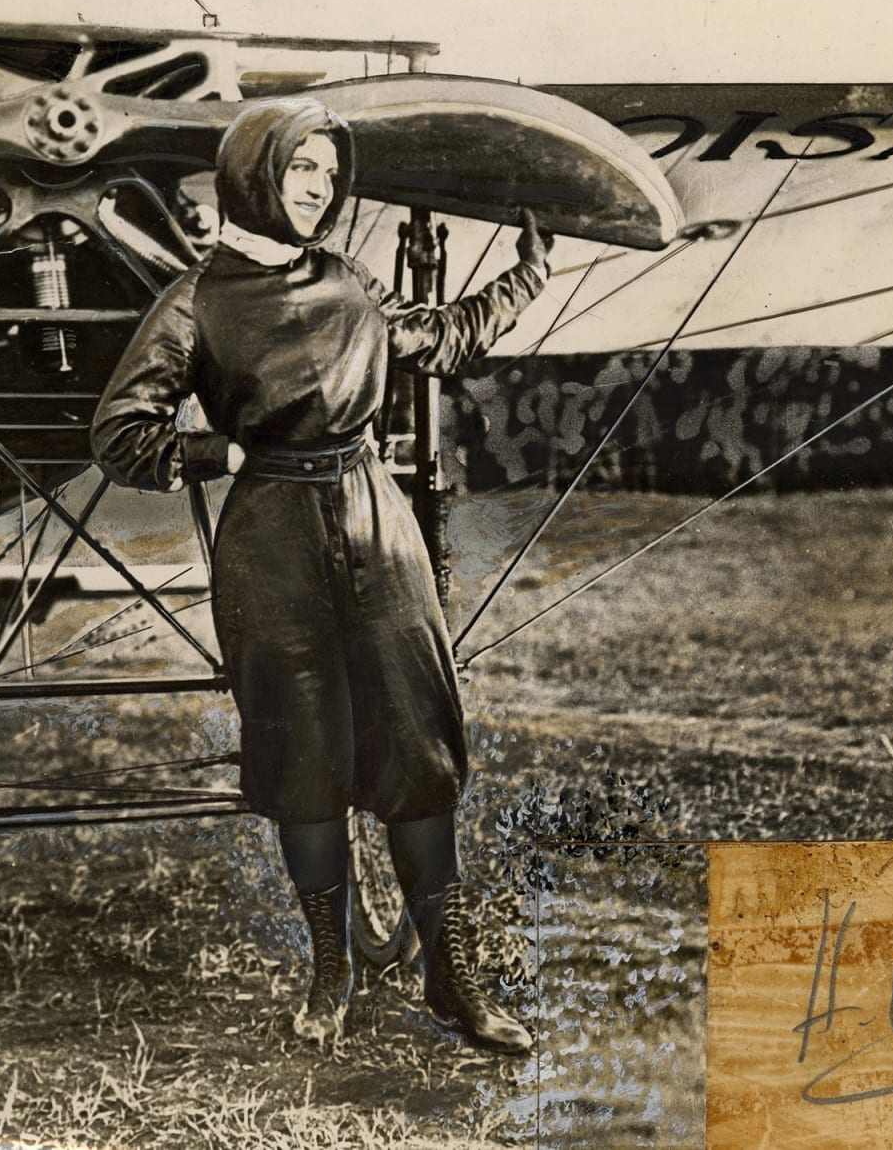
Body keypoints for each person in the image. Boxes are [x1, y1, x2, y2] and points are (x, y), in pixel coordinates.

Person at [91, 95, 551, 1054]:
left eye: (330, 174)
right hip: (272, 542)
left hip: (377, 526)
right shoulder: (194, 301)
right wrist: (222, 455)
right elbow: (120, 434)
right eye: (302, 169)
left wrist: (525, 280)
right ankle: (331, 965)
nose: (320, 189)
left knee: (419, 754)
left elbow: (438, 335)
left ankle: (451, 976)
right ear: (257, 173)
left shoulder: (348, 285)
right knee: (305, 763)